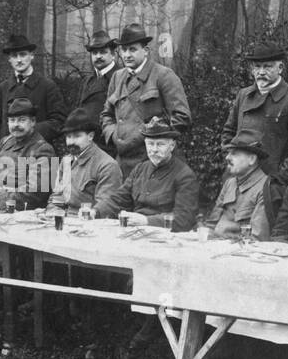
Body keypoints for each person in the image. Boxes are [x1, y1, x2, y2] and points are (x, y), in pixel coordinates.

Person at [220, 42, 288, 223]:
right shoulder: (243, 95)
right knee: (227, 231)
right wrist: (232, 162)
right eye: (257, 67)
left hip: (271, 187)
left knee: (259, 237)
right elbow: (228, 132)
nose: (261, 72)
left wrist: (280, 177)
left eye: (268, 66)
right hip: (238, 181)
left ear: (280, 67)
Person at [100, 23, 191, 177]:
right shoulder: (117, 77)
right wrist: (115, 135)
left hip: (154, 161)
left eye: (133, 49)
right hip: (122, 161)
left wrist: (151, 136)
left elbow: (181, 117)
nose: (127, 55)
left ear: (146, 51)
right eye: (123, 49)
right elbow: (106, 115)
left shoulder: (164, 75)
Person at [93, 117, 198, 231]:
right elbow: (119, 200)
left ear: (172, 146)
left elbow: (184, 219)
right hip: (135, 231)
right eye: (150, 144)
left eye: (160, 144)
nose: (154, 150)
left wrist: (146, 221)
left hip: (166, 236)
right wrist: (96, 211)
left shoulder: (184, 175)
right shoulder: (140, 169)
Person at [0, 98, 59, 210]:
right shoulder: (5, 142)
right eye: (12, 120)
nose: (16, 125)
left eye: (22, 120)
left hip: (24, 211)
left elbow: (34, 193)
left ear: (33, 122)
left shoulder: (42, 149)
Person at [0, 34, 67, 145]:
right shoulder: (2, 89)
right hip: (7, 155)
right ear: (9, 59)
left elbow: (59, 122)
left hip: (38, 153)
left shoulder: (48, 86)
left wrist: (30, 132)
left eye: (23, 55)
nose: (19, 60)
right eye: (14, 56)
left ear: (32, 55)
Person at [53, 108, 123, 211]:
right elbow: (57, 196)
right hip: (64, 219)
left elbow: (107, 206)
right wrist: (52, 211)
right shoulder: (66, 161)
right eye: (68, 137)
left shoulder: (107, 165)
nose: (71, 142)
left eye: (77, 136)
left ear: (90, 136)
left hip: (90, 222)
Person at [207, 133, 271, 241]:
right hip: (215, 246)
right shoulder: (230, 183)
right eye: (228, 153)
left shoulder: (265, 187)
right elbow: (211, 224)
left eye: (234, 153)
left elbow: (257, 238)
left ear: (252, 159)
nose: (227, 157)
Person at [76, 30, 125, 149]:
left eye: (103, 52)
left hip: (108, 146)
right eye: (94, 53)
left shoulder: (121, 78)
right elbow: (78, 111)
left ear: (113, 54)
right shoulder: (87, 80)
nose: (98, 56)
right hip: (85, 144)